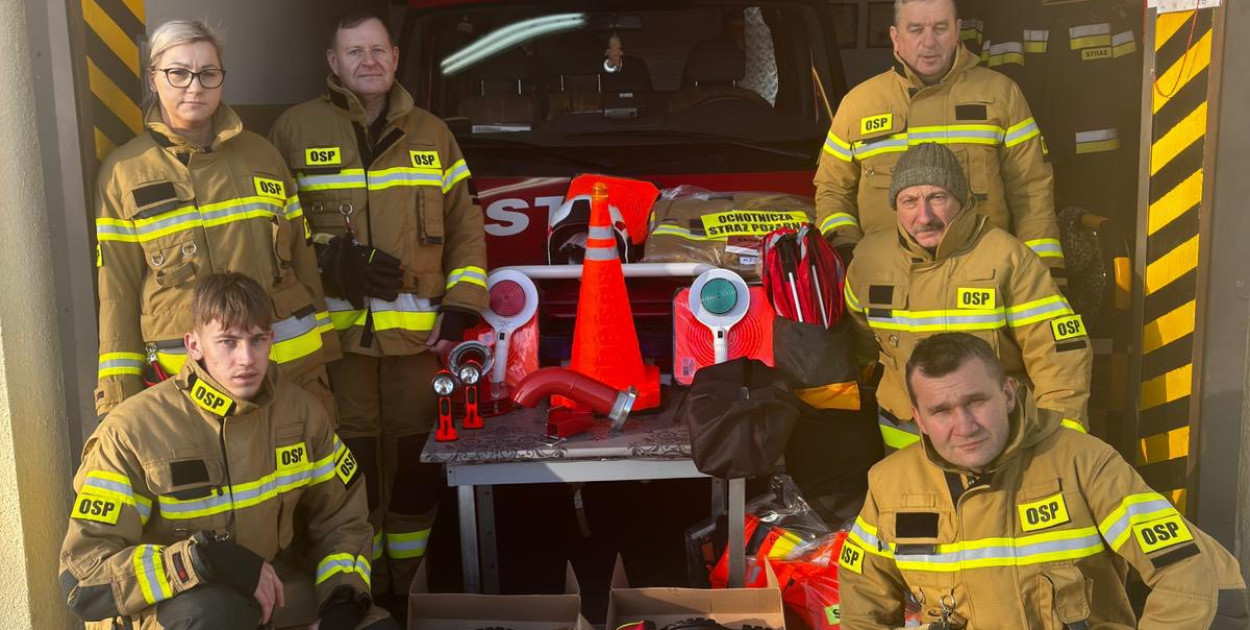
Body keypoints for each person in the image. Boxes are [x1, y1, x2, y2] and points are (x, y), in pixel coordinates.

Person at [268, 12, 488, 600]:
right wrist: (327, 256)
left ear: (395, 57)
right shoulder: (293, 131)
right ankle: (359, 598)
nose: (368, 61)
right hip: (335, 349)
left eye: (377, 50)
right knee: (348, 467)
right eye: (353, 51)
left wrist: (463, 305)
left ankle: (410, 593)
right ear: (332, 63)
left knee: (418, 467)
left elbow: (467, 225)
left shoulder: (433, 133)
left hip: (417, 348)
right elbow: (271, 232)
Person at [838, 333, 1249, 629]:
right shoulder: (889, 484)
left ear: (1009, 394)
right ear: (919, 419)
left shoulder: (1082, 461)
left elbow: (1186, 570)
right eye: (941, 411)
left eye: (976, 401)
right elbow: (863, 599)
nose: (964, 426)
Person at [60, 273, 397, 630]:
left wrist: (341, 599)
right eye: (227, 342)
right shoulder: (133, 430)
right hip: (173, 608)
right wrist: (201, 559)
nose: (246, 359)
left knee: (376, 626)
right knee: (217, 615)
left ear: (272, 339)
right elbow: (83, 578)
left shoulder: (302, 413)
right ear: (194, 345)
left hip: (273, 594)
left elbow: (343, 519)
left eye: (257, 340)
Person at [93, 20, 338, 420]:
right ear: (153, 79)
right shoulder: (123, 173)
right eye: (178, 73)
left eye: (208, 73)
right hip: (188, 388)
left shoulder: (264, 155)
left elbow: (303, 259)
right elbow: (116, 293)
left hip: (291, 374)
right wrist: (119, 395)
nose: (195, 86)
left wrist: (325, 355)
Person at [843, 142, 1090, 450]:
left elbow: (1060, 355)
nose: (924, 216)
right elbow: (861, 343)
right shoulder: (868, 261)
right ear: (895, 206)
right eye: (909, 200)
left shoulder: (1008, 258)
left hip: (992, 436)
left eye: (937, 197)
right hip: (906, 440)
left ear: (962, 199)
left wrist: (1062, 439)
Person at [815, 0, 1063, 275]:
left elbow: (1031, 190)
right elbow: (832, 190)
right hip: (885, 284)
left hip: (983, 282)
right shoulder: (858, 104)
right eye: (916, 29)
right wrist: (847, 251)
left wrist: (1044, 272)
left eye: (940, 28)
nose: (929, 41)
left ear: (957, 32)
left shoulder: (1002, 95)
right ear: (896, 38)